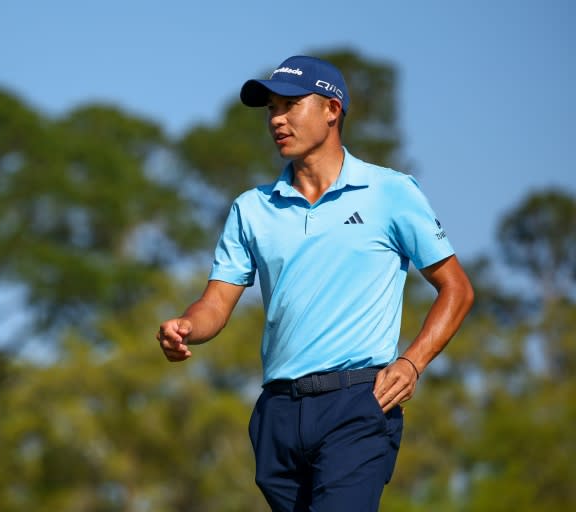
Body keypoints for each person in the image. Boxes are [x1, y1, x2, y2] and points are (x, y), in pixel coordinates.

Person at [156, 55, 474, 511]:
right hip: (277, 414)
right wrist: (185, 326)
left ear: (331, 109)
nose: (277, 119)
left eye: (290, 104)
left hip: (357, 404)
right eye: (271, 109)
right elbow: (215, 304)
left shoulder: (390, 192)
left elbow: (457, 289)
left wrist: (412, 363)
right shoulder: (251, 208)